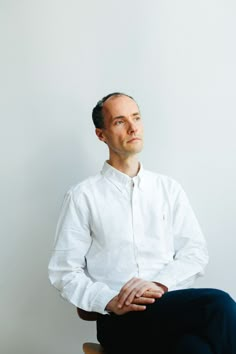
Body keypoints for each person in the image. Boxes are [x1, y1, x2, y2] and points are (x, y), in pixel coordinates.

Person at [48, 92, 236, 354]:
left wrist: (158, 284)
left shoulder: (168, 189)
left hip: (170, 308)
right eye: (120, 121)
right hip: (120, 320)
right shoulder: (82, 196)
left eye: (136, 117)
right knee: (218, 304)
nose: (133, 127)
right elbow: (64, 272)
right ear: (101, 134)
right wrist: (110, 300)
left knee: (196, 349)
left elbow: (195, 253)